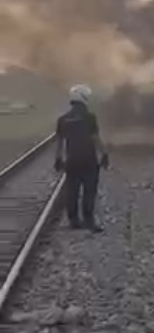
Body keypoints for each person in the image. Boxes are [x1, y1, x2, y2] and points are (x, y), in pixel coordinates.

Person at [54, 84, 109, 233]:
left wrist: (58, 159)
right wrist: (104, 154)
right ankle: (88, 220)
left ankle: (73, 220)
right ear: (84, 98)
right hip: (89, 160)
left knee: (72, 190)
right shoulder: (90, 117)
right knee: (89, 190)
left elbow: (59, 142)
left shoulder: (63, 119)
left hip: (72, 161)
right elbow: (96, 138)